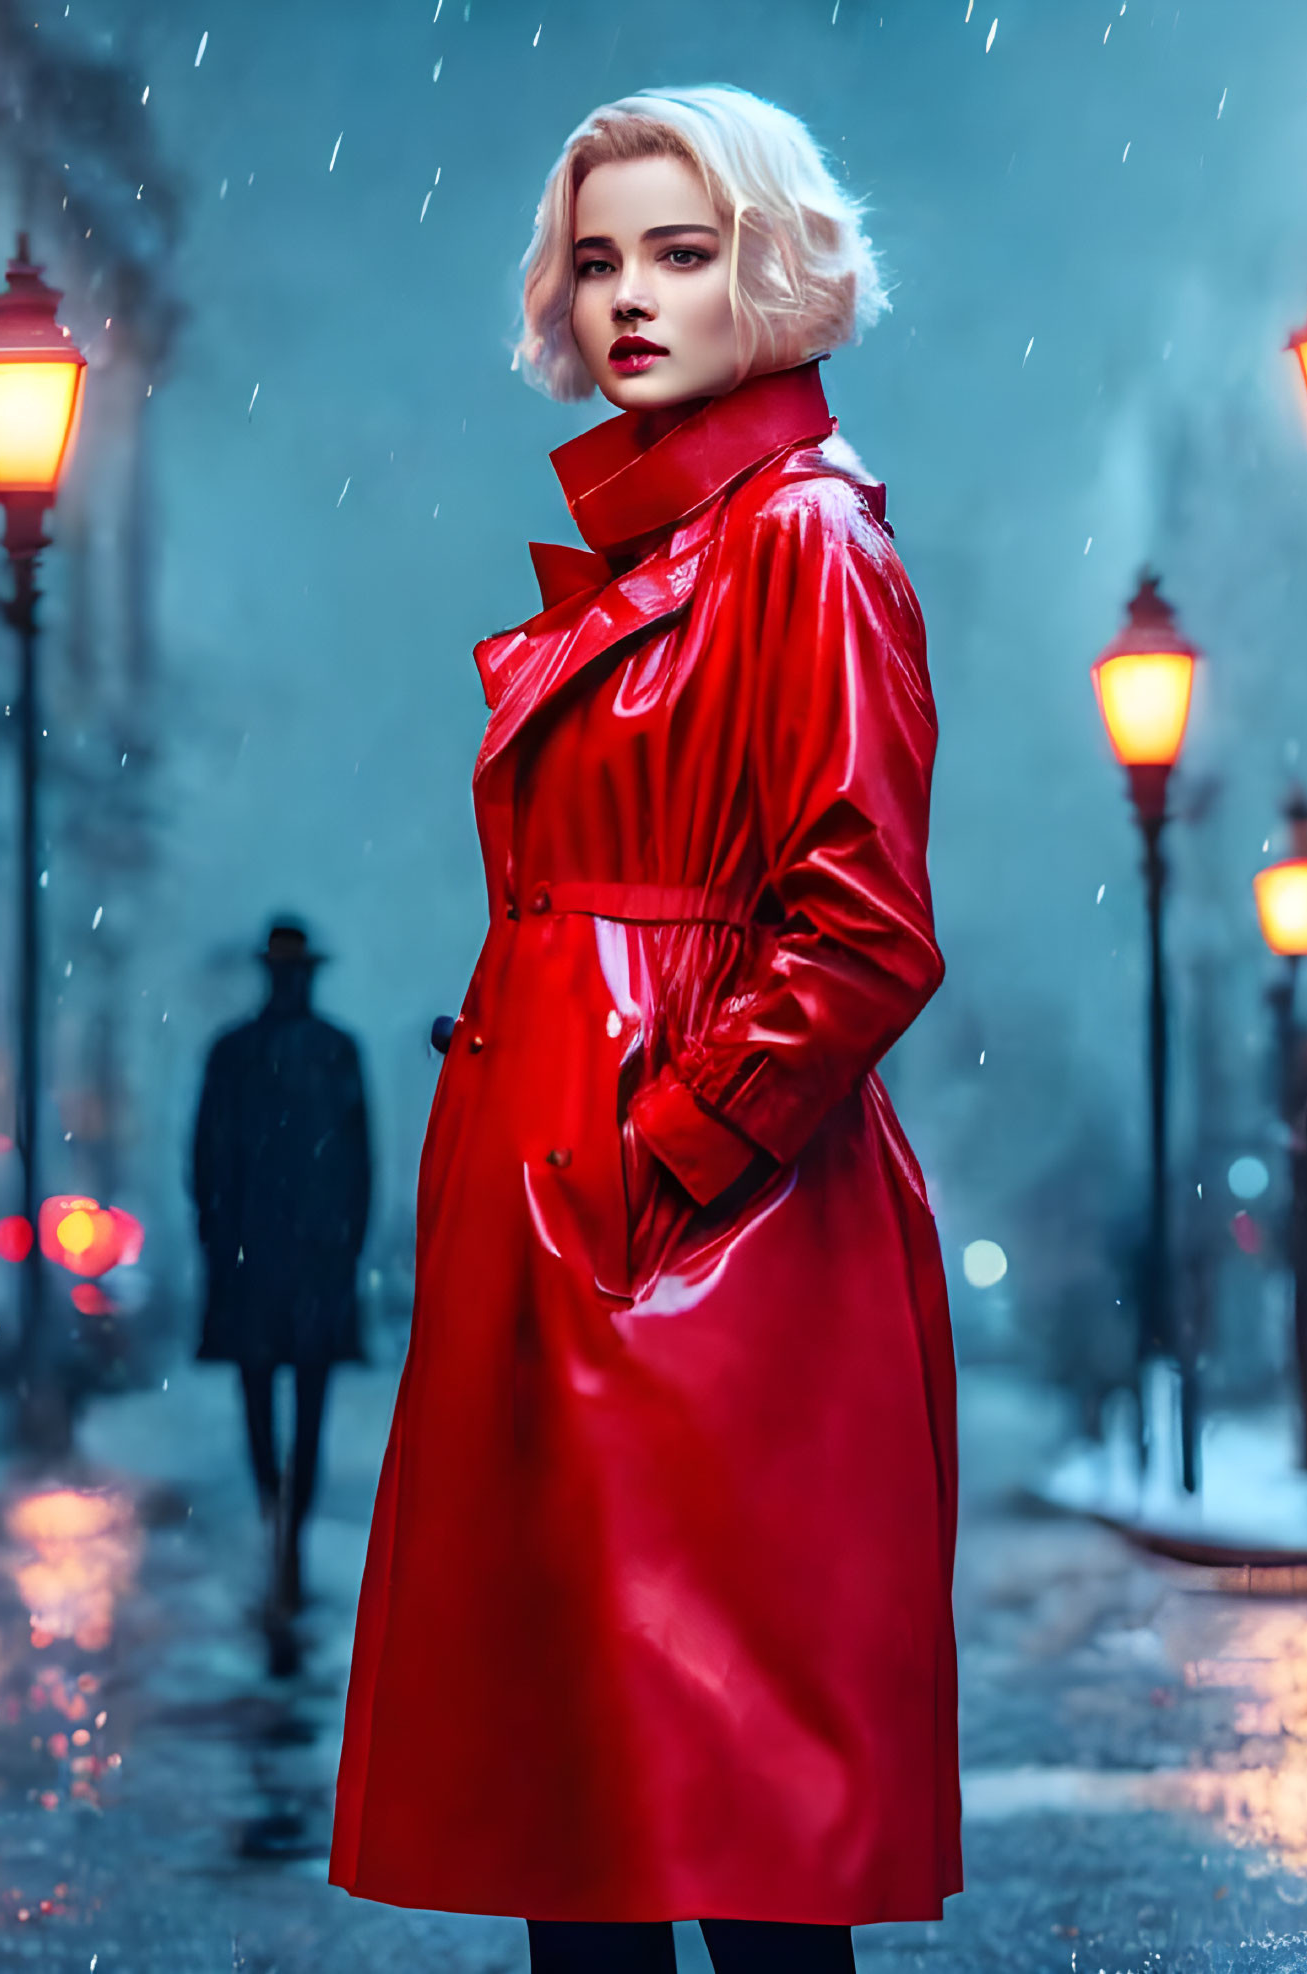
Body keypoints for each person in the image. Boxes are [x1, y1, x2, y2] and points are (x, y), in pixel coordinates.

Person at [329, 88, 958, 1974]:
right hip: (576, 1217)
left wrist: (664, 1155)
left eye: (679, 253)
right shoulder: (665, 544)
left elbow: (859, 923)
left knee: (742, 1817)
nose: (628, 298)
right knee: (582, 1812)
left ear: (770, 268)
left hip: (706, 1236)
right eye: (597, 259)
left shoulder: (806, 541)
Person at [191, 918, 371, 1614]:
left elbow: (206, 1165)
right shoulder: (335, 1052)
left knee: (263, 1400)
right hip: (308, 1262)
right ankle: (285, 1524)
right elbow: (360, 1169)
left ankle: (278, 1518)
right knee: (302, 1405)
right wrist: (343, 1248)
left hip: (257, 1260)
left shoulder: (234, 1053)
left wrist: (220, 1241)